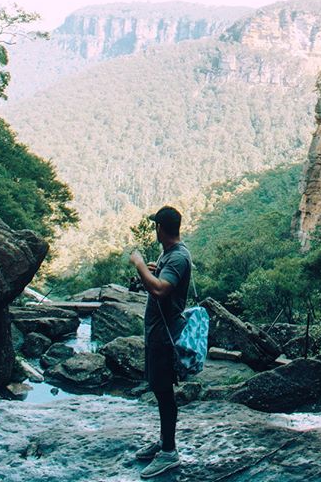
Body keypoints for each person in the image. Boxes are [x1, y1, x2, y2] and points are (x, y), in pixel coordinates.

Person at [129, 205, 192, 478]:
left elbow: (159, 289)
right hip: (158, 334)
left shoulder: (178, 257)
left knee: (164, 390)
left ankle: (169, 452)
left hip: (166, 338)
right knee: (159, 388)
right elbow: (160, 281)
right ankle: (165, 442)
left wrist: (140, 264)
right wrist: (154, 268)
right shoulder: (169, 255)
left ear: (159, 228)